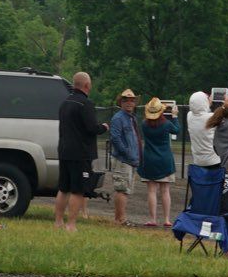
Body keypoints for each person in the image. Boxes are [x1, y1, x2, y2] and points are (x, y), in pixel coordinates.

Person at [57, 72, 108, 231]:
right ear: (87, 85)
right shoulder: (85, 104)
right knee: (78, 190)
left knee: (63, 188)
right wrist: (104, 127)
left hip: (64, 151)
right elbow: (91, 127)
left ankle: (58, 222)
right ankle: (71, 224)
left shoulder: (65, 103)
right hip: (80, 153)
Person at [138, 97, 178, 226]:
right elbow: (177, 130)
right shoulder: (166, 124)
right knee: (165, 190)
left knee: (151, 191)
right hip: (165, 159)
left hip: (149, 159)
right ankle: (166, 219)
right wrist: (175, 116)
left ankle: (153, 219)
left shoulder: (144, 124)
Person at [107, 89, 142, 225]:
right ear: (120, 102)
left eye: (132, 100)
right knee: (122, 189)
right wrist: (127, 152)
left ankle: (119, 219)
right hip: (123, 160)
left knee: (125, 190)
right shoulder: (118, 118)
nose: (129, 102)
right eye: (126, 100)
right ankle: (120, 219)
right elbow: (115, 138)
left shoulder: (132, 118)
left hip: (130, 159)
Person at [187, 90, 222, 169]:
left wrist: (206, 101)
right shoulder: (211, 117)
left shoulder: (189, 116)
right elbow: (222, 116)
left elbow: (198, 109)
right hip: (213, 160)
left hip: (197, 160)